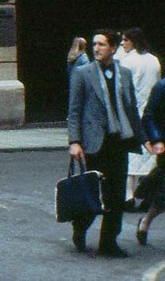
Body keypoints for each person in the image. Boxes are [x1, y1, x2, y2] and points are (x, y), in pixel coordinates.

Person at [68, 29, 150, 257]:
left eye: (102, 45)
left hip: (118, 143)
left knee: (116, 197)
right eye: (94, 44)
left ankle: (108, 242)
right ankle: (80, 227)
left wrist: (145, 139)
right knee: (92, 195)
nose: (96, 49)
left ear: (113, 48)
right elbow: (74, 111)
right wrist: (74, 141)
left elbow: (132, 110)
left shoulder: (124, 74)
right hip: (94, 144)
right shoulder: (83, 73)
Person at [116, 27, 161, 209]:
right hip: (151, 112)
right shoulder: (153, 60)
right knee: (150, 158)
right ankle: (149, 196)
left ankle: (129, 196)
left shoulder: (127, 62)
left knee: (131, 157)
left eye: (125, 40)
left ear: (133, 41)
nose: (122, 43)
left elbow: (123, 90)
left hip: (133, 113)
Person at [136, 78, 165, 244]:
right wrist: (157, 139)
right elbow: (148, 116)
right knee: (163, 194)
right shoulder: (162, 86)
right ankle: (146, 220)